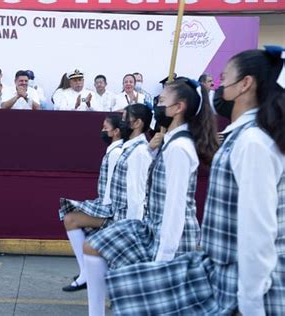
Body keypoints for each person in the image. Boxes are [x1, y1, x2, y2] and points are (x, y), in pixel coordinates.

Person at [103, 47, 285, 316]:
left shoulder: (252, 142)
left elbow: (257, 235)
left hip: (248, 287)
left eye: (224, 80)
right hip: (228, 274)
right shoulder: (245, 137)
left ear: (245, 84)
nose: (218, 88)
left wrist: (252, 307)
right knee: (129, 294)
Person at [84, 77, 219, 316]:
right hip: (154, 228)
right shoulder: (170, 142)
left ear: (178, 108)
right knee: (94, 247)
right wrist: (153, 148)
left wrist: (163, 258)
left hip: (172, 237)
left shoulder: (179, 148)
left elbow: (175, 207)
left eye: (162, 101)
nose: (157, 106)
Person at [59, 115, 125, 293]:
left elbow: (113, 186)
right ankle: (86, 272)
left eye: (105, 128)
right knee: (70, 216)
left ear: (116, 132)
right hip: (108, 206)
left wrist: (102, 209)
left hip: (111, 210)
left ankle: (86, 274)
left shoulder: (116, 153)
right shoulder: (114, 150)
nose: (102, 131)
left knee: (70, 219)